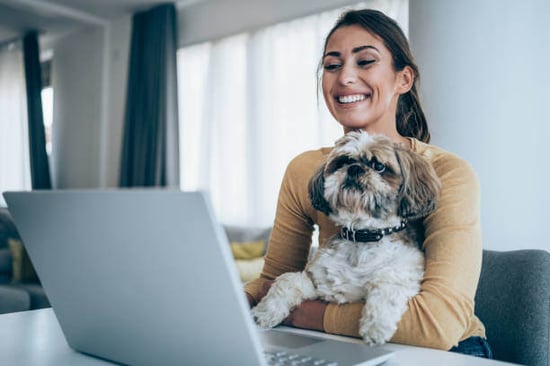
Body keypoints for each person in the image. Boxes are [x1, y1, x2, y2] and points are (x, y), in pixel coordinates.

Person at [245, 9, 493, 358]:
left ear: (403, 79)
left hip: (449, 350)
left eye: (364, 61)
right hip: (337, 343)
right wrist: (233, 301)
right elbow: (274, 280)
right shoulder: (306, 169)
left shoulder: (446, 171)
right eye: (332, 65)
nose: (345, 77)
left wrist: (304, 313)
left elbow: (437, 326)